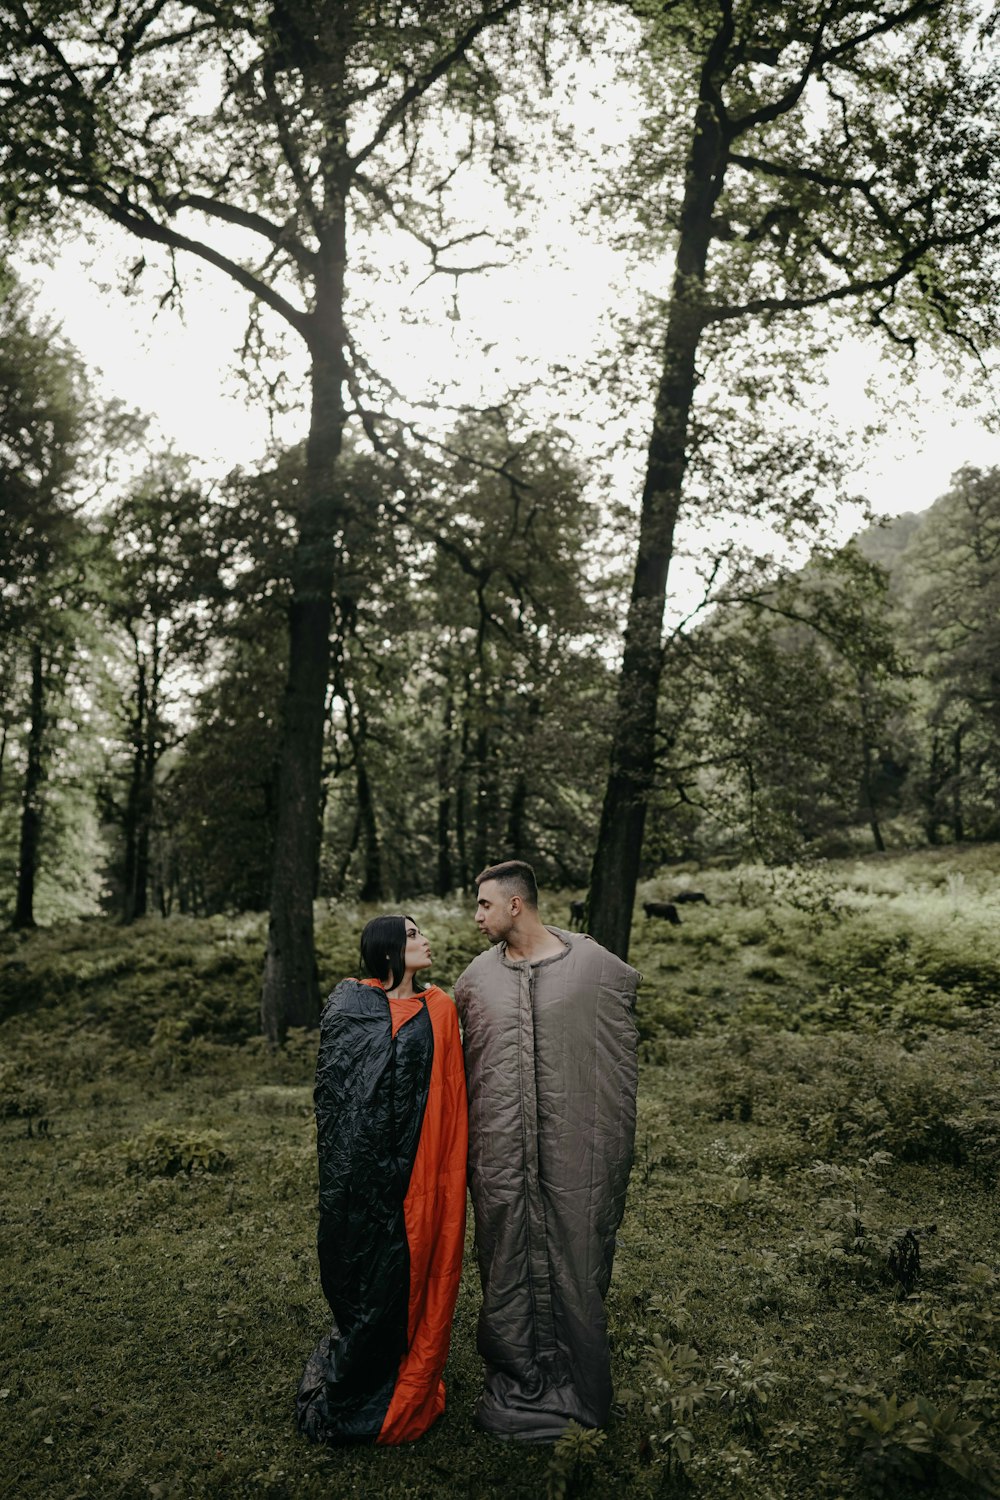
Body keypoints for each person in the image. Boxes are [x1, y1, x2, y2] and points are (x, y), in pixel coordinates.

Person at [454, 860, 640, 1441]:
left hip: (573, 1154)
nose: (476, 916)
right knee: (505, 1259)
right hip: (501, 1158)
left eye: (484, 904)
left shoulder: (596, 969)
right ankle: (516, 1378)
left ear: (515, 904)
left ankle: (578, 1385)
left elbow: (613, 1060)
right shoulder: (474, 981)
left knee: (577, 1259)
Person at [296, 914, 467, 1445]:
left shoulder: (438, 1008)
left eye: (421, 933)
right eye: (413, 935)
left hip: (416, 1172)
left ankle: (403, 1379)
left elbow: (446, 1093)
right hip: (358, 1176)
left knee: (408, 1274)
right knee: (362, 1277)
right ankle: (364, 1373)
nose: (425, 940)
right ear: (389, 950)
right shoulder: (350, 1007)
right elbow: (338, 1094)